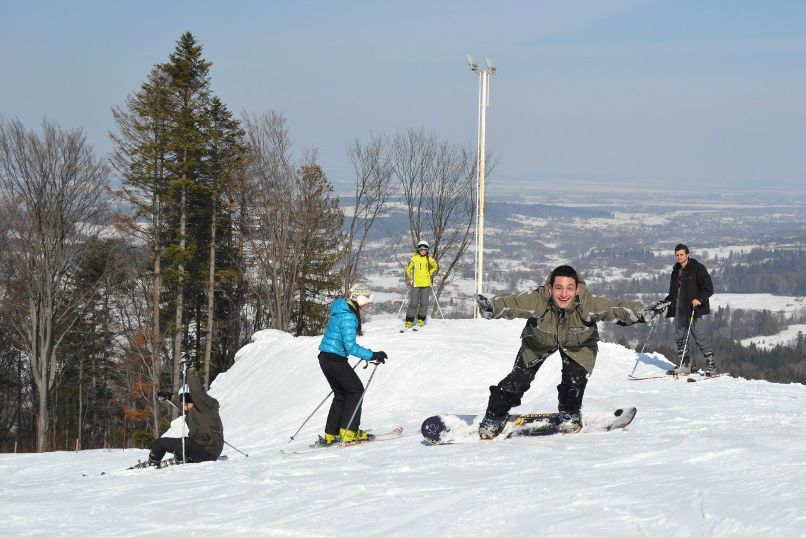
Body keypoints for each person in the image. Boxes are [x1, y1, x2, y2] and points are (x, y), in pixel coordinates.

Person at [474, 265, 666, 439]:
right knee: (517, 381)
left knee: (574, 380)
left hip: (579, 345)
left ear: (577, 290)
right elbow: (514, 303)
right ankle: (494, 417)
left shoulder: (587, 305)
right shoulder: (539, 300)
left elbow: (615, 308)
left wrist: (642, 313)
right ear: (550, 289)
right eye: (558, 288)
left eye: (569, 288)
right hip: (539, 342)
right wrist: (493, 308)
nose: (564, 294)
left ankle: (570, 413)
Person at [316, 287, 388, 446]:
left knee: (341, 395)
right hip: (335, 360)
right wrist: (373, 355)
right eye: (367, 302)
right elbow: (350, 346)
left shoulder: (341, 310)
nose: (368, 306)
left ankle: (331, 434)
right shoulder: (349, 317)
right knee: (356, 391)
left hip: (326, 358)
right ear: (360, 300)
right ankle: (349, 432)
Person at [149, 366, 224, 465]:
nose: (184, 407)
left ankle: (180, 462)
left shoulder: (206, 408)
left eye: (186, 402)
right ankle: (153, 462)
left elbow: (197, 391)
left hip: (208, 451)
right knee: (160, 443)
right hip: (195, 446)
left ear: (193, 399)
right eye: (183, 403)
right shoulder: (189, 408)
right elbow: (179, 402)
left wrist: (191, 370)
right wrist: (168, 396)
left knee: (184, 444)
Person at [662, 244, 716, 376]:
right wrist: (665, 302)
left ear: (687, 254)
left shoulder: (697, 268)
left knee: (700, 337)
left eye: (681, 254)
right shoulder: (676, 271)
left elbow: (708, 288)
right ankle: (685, 365)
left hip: (693, 309)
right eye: (677, 255)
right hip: (679, 309)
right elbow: (673, 292)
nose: (679, 257)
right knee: (680, 337)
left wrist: (700, 299)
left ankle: (712, 367)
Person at [403, 240, 439, 329]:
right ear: (418, 249)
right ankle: (409, 320)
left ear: (427, 250)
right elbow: (408, 269)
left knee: (424, 303)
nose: (423, 251)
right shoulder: (414, 258)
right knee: (413, 303)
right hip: (416, 284)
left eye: (425, 249)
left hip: (426, 284)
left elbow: (436, 267)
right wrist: (408, 279)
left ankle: (421, 319)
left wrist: (430, 274)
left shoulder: (429, 259)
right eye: (421, 249)